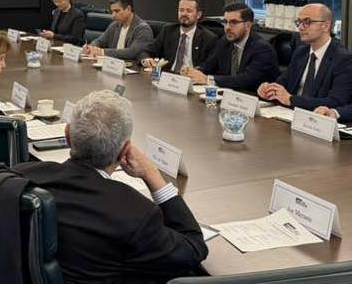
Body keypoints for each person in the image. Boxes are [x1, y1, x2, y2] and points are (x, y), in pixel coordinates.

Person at [14, 90, 208, 283]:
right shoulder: (135, 213)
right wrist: (153, 175)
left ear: (67, 136)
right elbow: (193, 248)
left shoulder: (18, 177)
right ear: (125, 150)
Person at [257, 4, 352, 110]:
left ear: (326, 26)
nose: (300, 27)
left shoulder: (342, 59)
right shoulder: (300, 52)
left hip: (316, 117)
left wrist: (291, 100)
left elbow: (336, 101)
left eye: (307, 22)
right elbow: (282, 83)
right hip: (290, 113)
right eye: (299, 22)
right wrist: (269, 89)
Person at [182, 2, 278, 92]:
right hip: (229, 96)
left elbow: (245, 80)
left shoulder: (262, 49)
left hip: (252, 98)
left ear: (248, 25)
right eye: (225, 22)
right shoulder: (224, 42)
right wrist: (193, 72)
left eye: (234, 22)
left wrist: (207, 79)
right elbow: (209, 65)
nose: (227, 27)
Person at [140, 0, 218, 72]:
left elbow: (209, 66)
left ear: (198, 15)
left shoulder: (208, 38)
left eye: (189, 11)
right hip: (168, 75)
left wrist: (193, 72)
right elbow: (146, 51)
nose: (184, 14)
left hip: (191, 77)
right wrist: (145, 59)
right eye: (181, 10)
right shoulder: (168, 31)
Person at [82, 0, 154, 61]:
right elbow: (99, 41)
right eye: (112, 11)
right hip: (113, 65)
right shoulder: (114, 25)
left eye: (117, 11)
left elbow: (132, 52)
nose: (113, 15)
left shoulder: (143, 29)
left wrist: (102, 52)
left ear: (128, 9)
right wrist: (91, 47)